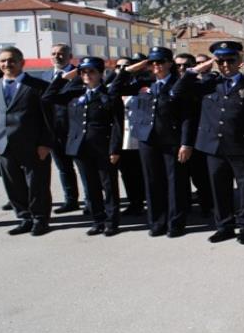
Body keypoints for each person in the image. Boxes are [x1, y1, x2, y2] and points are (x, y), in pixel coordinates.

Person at [175, 41, 244, 245]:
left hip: (241, 145)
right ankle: (224, 226)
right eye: (220, 61)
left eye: (229, 60)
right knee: (218, 188)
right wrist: (196, 70)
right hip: (213, 145)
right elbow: (177, 92)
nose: (225, 65)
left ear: (239, 61)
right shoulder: (208, 83)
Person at [109, 47, 195, 238]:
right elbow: (114, 89)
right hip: (147, 140)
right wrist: (134, 68)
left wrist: (186, 143)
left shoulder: (179, 83)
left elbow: (187, 116)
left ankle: (176, 223)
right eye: (153, 62)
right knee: (152, 181)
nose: (157, 66)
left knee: (175, 183)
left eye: (161, 62)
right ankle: (157, 222)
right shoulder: (143, 82)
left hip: (172, 140)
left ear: (169, 63)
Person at [42, 57, 123, 236]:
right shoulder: (74, 93)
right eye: (83, 72)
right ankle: (97, 220)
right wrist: (65, 77)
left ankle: (111, 221)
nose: (87, 75)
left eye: (91, 71)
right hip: (80, 147)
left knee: (108, 186)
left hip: (103, 148)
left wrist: (115, 149)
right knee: (91, 185)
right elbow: (47, 97)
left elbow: (117, 125)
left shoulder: (109, 95)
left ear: (101, 74)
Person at [0, 46, 54, 236]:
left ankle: (40, 219)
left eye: (12, 60)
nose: (7, 64)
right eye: (3, 61)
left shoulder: (38, 86)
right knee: (13, 185)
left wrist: (45, 143)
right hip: (4, 145)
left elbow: (49, 118)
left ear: (22, 62)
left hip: (33, 146)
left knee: (37, 185)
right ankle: (25, 218)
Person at [42, 44, 81, 214]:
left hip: (75, 129)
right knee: (64, 168)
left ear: (69, 56)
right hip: (54, 131)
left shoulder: (79, 74)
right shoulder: (45, 75)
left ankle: (93, 200)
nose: (57, 56)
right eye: (54, 54)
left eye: (61, 54)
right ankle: (71, 200)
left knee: (84, 168)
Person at [175, 53, 213, 218]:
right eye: (179, 65)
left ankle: (207, 205)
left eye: (186, 65)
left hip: (197, 137)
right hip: (174, 138)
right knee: (179, 178)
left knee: (201, 176)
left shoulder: (201, 84)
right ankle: (184, 207)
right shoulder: (171, 84)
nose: (182, 68)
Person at [105, 57, 145, 216]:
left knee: (142, 172)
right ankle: (135, 203)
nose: (122, 69)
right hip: (122, 138)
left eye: (126, 66)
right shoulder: (111, 86)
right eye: (119, 66)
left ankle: (147, 199)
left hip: (140, 136)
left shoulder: (141, 85)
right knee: (127, 173)